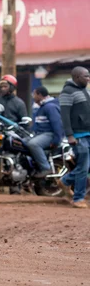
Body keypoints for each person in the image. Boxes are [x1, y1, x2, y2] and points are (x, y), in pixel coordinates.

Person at [58, 67, 90, 208]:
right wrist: (70, 135)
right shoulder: (67, 92)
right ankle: (78, 198)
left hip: (88, 133)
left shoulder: (85, 91)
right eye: (86, 76)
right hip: (77, 135)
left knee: (86, 166)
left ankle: (65, 180)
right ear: (77, 77)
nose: (88, 79)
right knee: (83, 167)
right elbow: (64, 116)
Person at [27, 86, 64, 179]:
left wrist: (56, 140)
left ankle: (46, 168)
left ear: (39, 95)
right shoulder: (41, 107)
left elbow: (57, 124)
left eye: (34, 94)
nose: (33, 96)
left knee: (33, 144)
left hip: (49, 134)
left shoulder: (49, 107)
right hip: (40, 134)